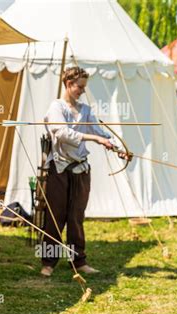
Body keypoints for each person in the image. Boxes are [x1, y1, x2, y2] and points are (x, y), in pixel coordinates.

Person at [40, 66, 129, 277]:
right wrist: (94, 139)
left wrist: (120, 148)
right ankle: (48, 262)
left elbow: (100, 132)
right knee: (54, 217)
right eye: (80, 86)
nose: (82, 90)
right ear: (69, 84)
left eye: (83, 87)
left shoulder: (85, 110)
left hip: (81, 169)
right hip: (59, 169)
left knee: (76, 217)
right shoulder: (56, 107)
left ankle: (78, 261)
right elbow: (61, 133)